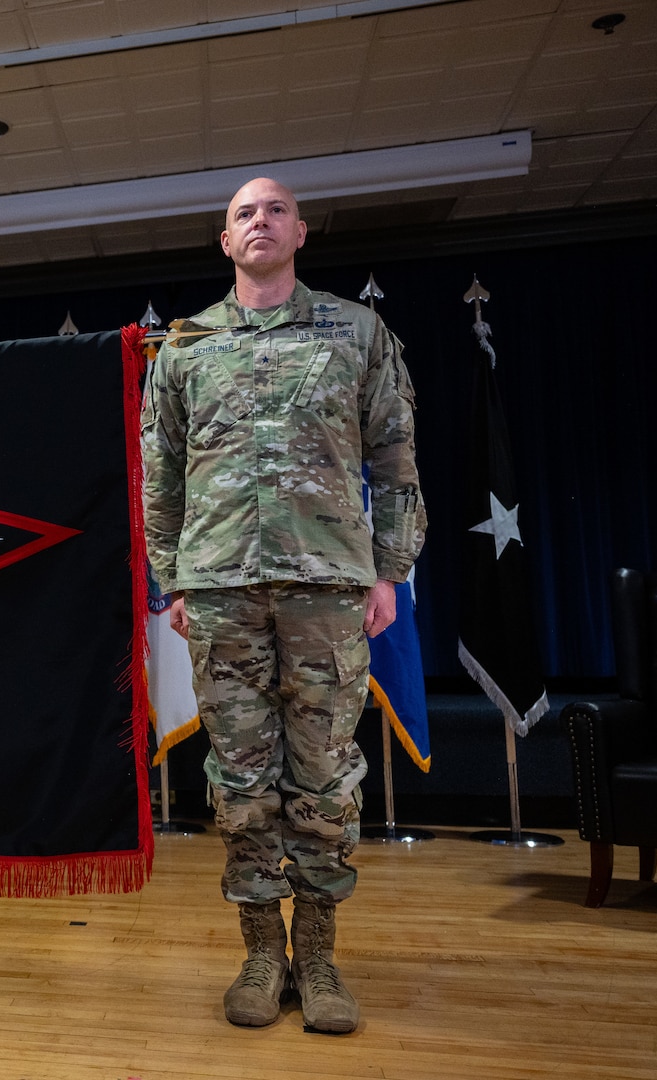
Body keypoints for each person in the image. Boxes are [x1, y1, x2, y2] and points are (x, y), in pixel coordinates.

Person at [140, 178, 425, 1034]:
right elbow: (159, 475)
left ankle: (322, 958)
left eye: (274, 209)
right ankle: (263, 952)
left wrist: (389, 569)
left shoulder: (355, 331)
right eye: (241, 214)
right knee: (238, 778)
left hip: (328, 584)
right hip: (221, 587)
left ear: (299, 230)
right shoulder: (186, 347)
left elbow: (396, 455)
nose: (258, 221)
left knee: (326, 776)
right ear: (223, 242)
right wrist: (174, 580)